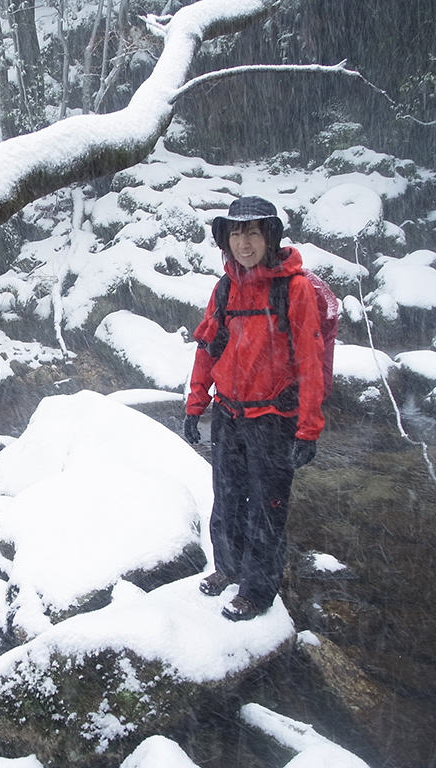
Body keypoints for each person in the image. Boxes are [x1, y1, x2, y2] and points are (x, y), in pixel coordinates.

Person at [183, 196, 324, 621]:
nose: (244, 244)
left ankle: (258, 592)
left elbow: (310, 360)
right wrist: (195, 404)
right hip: (228, 414)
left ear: (270, 237)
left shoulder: (293, 288)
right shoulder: (225, 287)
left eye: (253, 233)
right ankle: (229, 567)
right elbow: (208, 347)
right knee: (227, 498)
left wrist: (308, 429)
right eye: (236, 234)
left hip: (273, 419)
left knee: (267, 507)